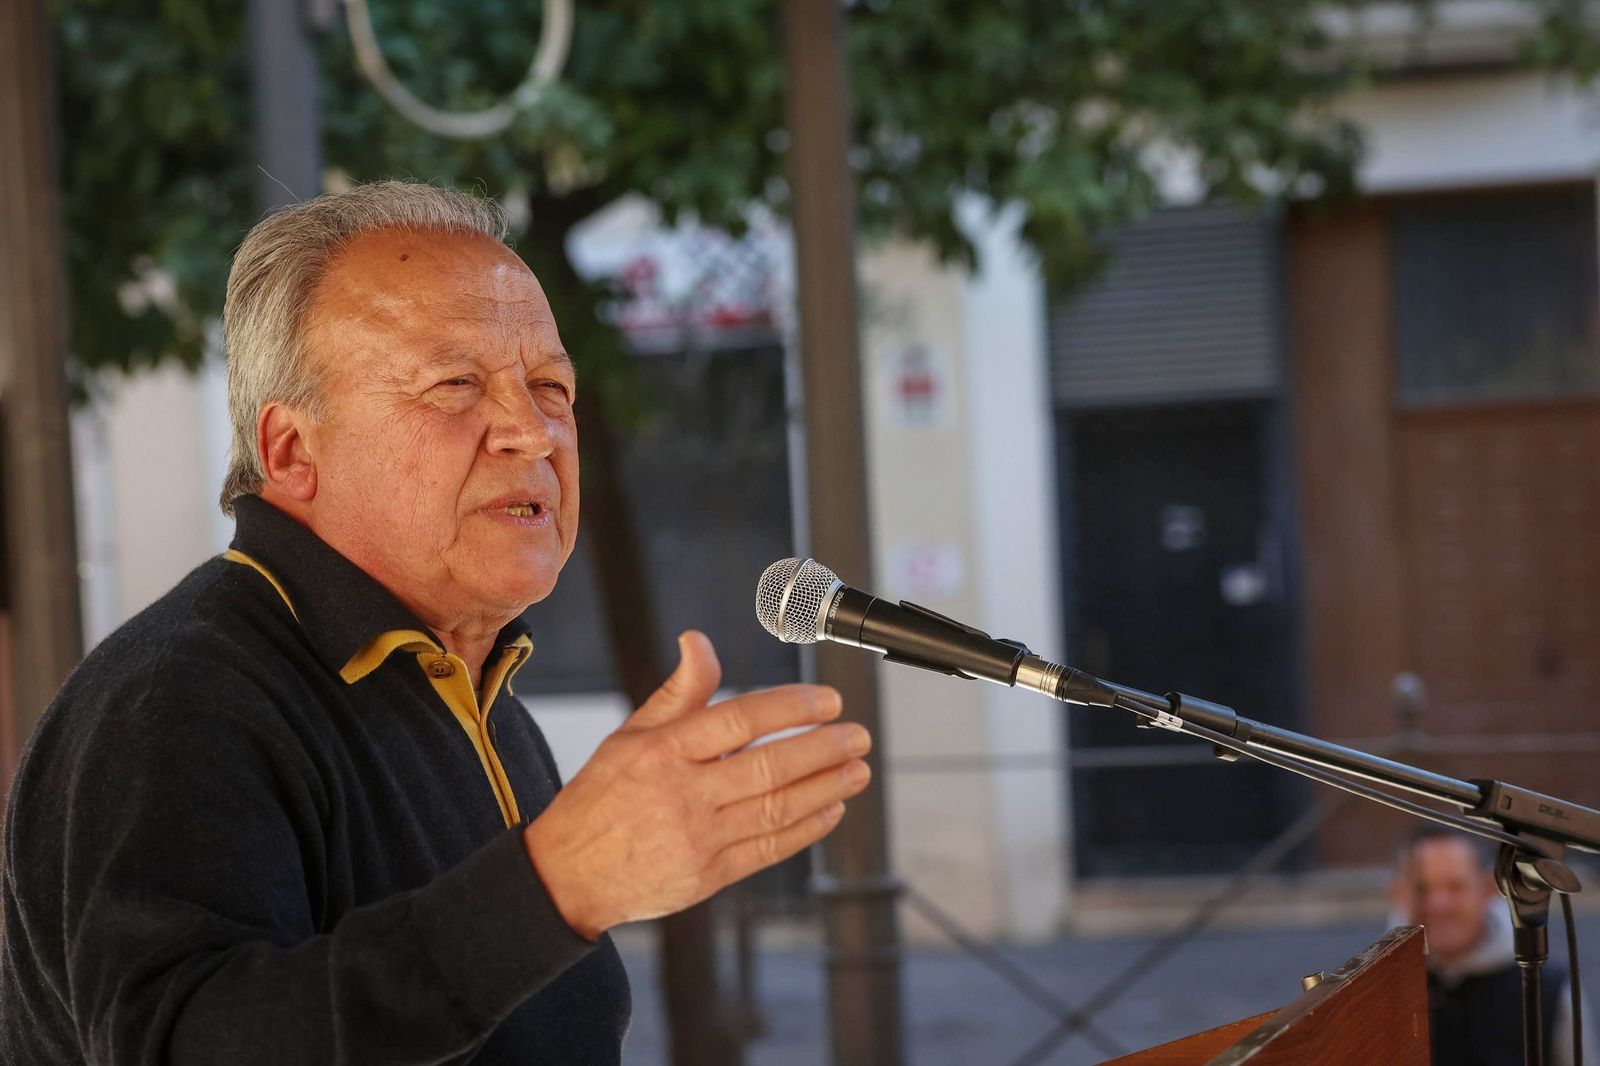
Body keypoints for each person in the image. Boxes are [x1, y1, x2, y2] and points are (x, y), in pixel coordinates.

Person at [0, 181, 874, 1064]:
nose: (531, 434)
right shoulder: (178, 703)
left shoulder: (475, 692)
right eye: (456, 386)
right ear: (292, 452)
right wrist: (556, 885)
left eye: (550, 388)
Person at [1389, 827, 1593, 1066]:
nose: (1438, 904)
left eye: (1455, 887)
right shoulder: (1376, 993)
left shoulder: (1545, 990)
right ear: (1398, 893)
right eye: (1422, 889)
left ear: (1487, 889)